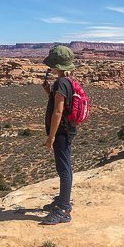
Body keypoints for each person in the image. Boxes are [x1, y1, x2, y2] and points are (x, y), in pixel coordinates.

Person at [40, 45, 77, 225]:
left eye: (52, 64)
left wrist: (51, 136)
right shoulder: (67, 81)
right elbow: (60, 103)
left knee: (63, 169)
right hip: (67, 129)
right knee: (66, 166)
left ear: (58, 66)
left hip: (61, 131)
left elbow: (58, 111)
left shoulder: (60, 83)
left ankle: (63, 209)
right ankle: (63, 201)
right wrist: (48, 91)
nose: (50, 68)